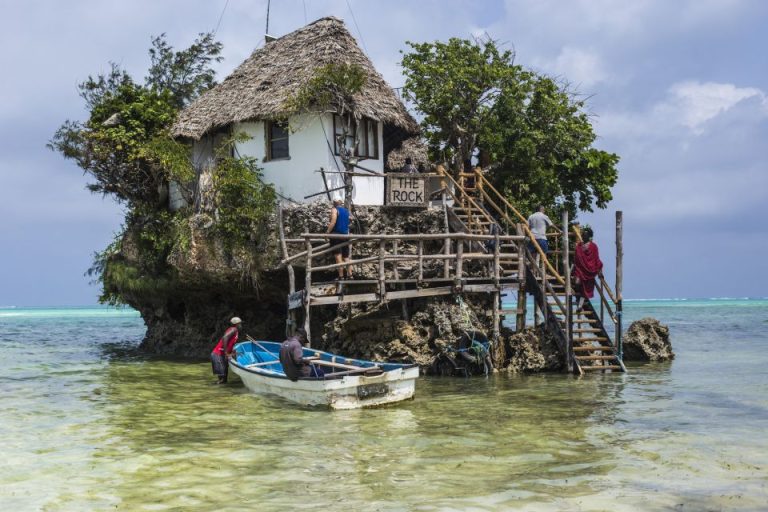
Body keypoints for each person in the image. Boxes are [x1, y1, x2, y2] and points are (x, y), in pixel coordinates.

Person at [572, 227, 603, 311]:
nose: (583, 236)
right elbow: (576, 258)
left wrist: (600, 271)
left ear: (589, 236)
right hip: (580, 269)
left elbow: (596, 259)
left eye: (585, 235)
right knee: (577, 283)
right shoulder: (579, 245)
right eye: (582, 235)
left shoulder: (593, 246)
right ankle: (579, 301)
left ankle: (580, 305)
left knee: (585, 290)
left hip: (590, 270)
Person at [211, 317, 242, 384]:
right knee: (222, 380)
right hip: (218, 354)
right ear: (237, 324)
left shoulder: (235, 331)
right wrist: (226, 353)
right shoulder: (233, 329)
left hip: (221, 355)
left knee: (224, 380)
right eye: (240, 323)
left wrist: (232, 352)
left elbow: (230, 343)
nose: (241, 325)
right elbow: (225, 337)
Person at [327, 198, 352, 280]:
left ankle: (341, 276)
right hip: (345, 235)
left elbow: (333, 222)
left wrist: (327, 233)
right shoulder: (346, 211)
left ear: (334, 202)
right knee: (346, 256)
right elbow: (350, 221)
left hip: (336, 235)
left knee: (338, 256)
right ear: (341, 202)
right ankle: (350, 275)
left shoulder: (334, 210)